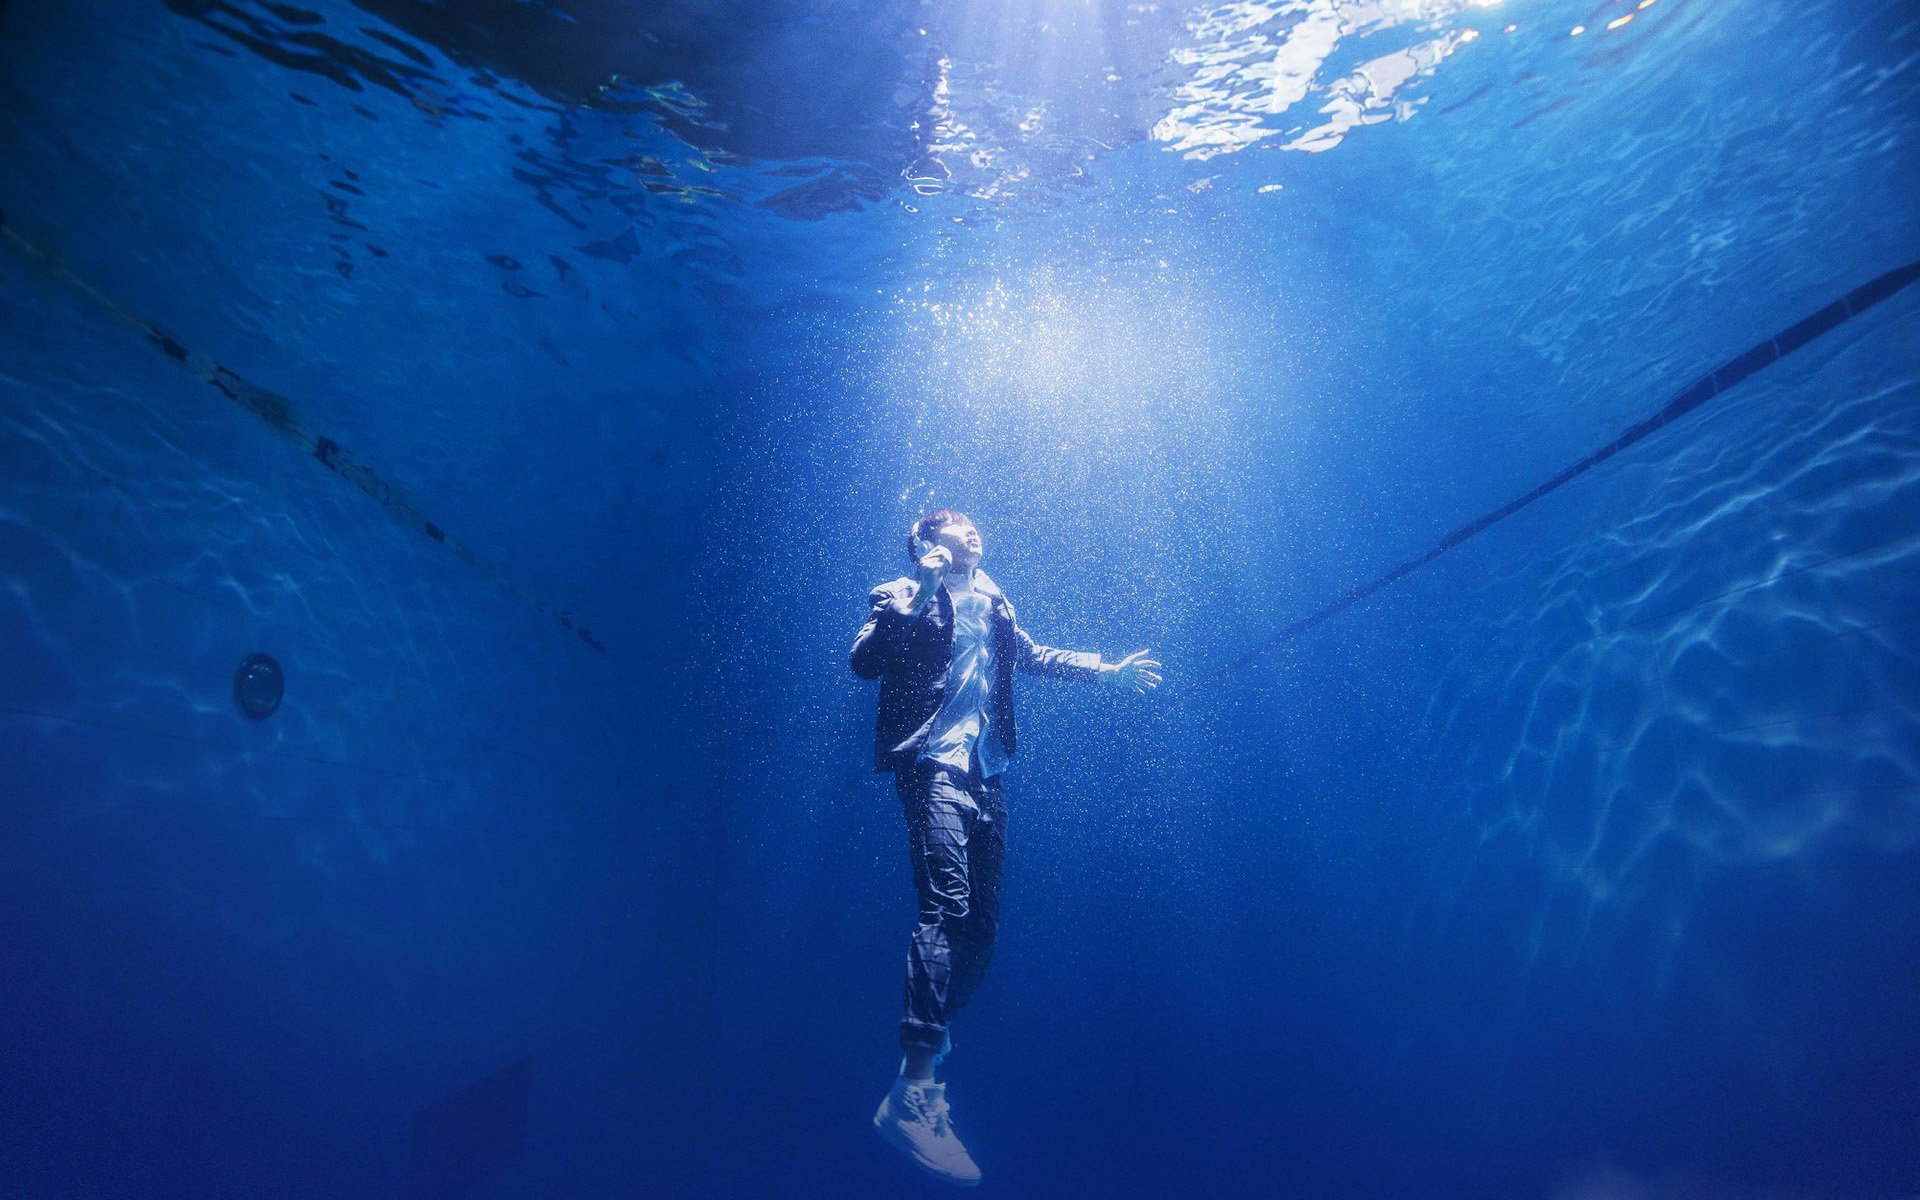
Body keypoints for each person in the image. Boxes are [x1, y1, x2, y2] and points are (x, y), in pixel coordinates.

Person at [849, 508, 1162, 1186]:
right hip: (930, 762)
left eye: (974, 527)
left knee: (983, 934)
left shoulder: (994, 599)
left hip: (985, 771)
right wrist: (921, 588)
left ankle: (929, 1039)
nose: (975, 532)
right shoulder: (898, 593)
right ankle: (914, 1090)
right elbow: (863, 663)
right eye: (960, 525)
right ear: (929, 542)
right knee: (946, 909)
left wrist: (1104, 670)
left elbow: (1032, 654)